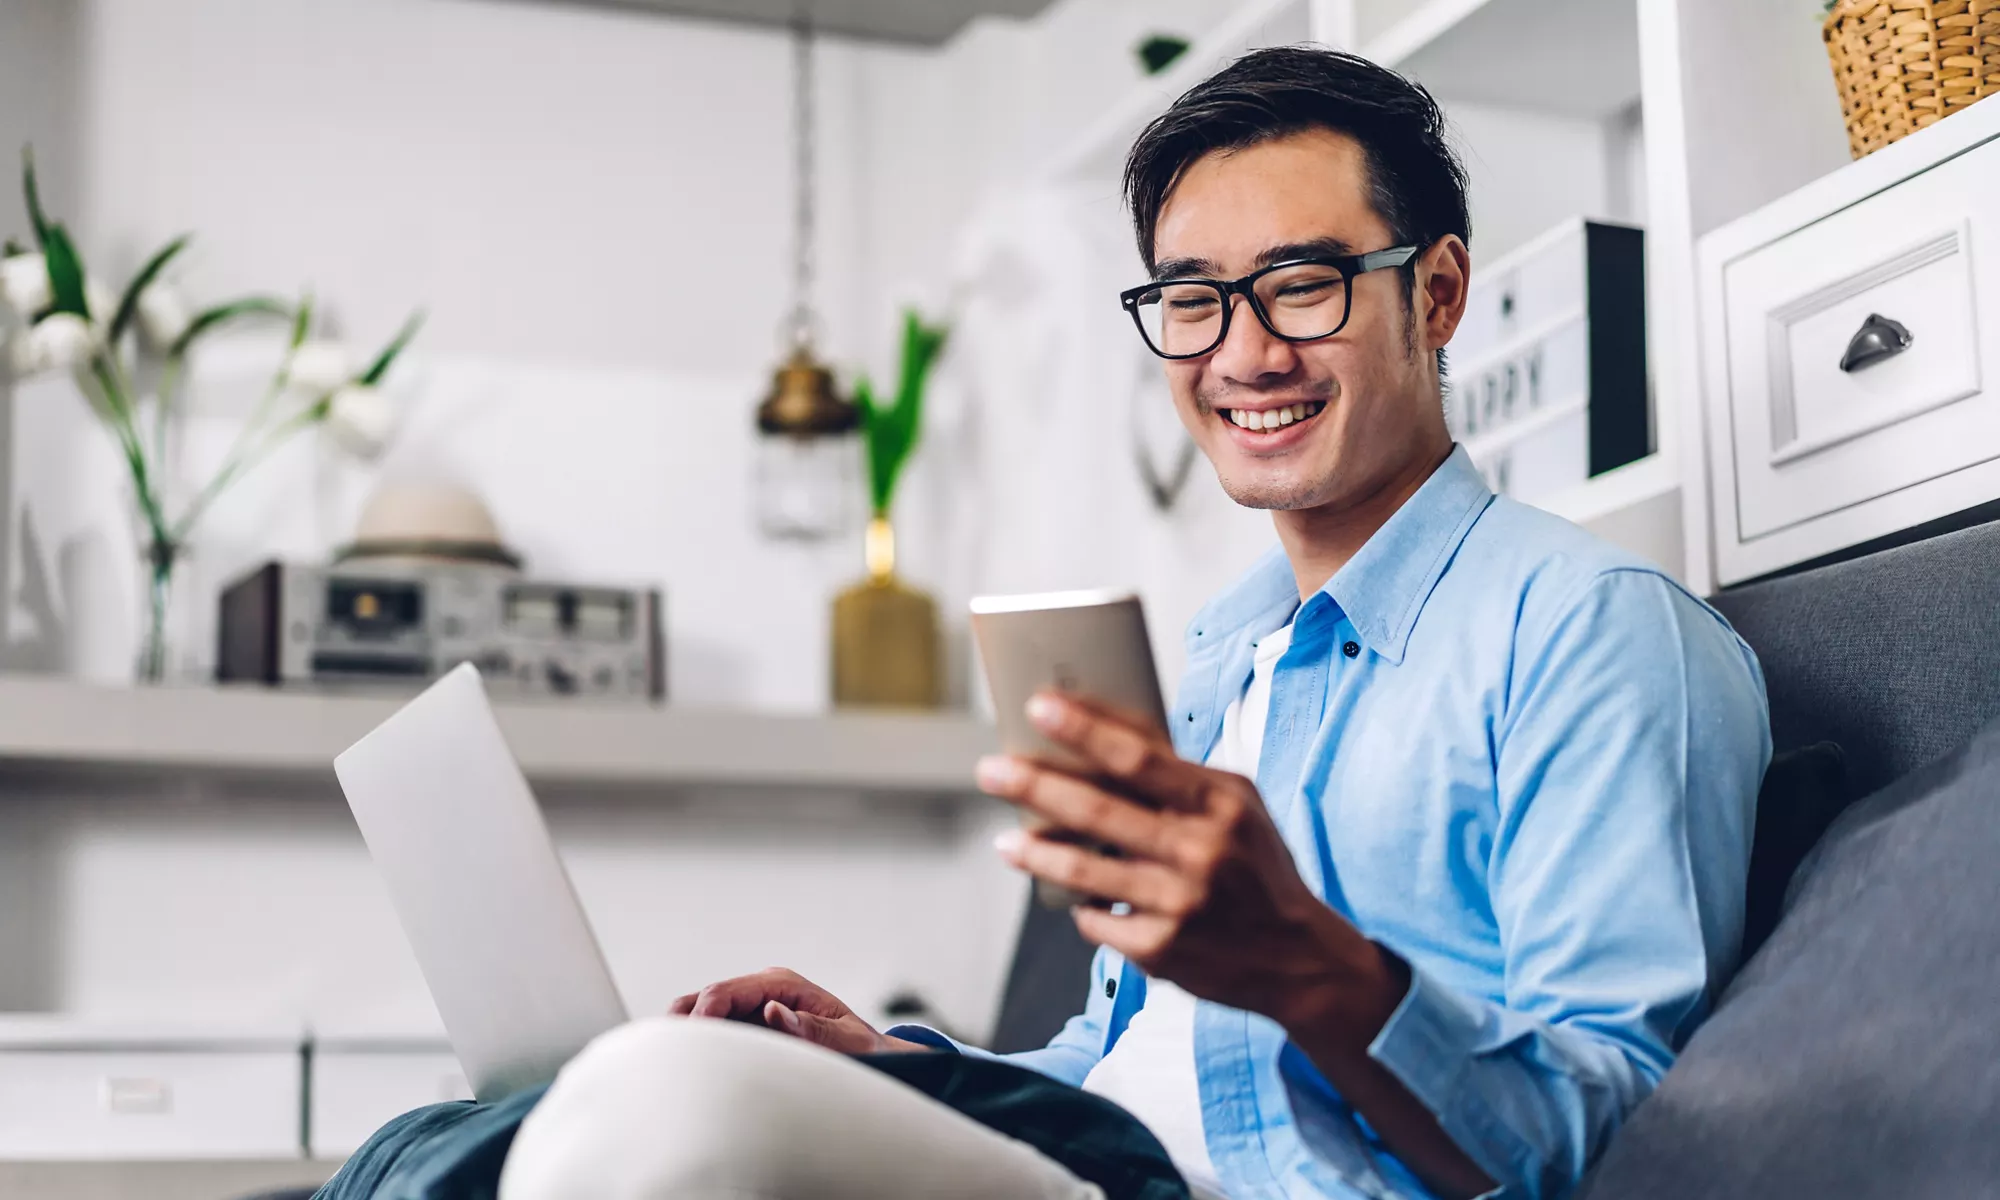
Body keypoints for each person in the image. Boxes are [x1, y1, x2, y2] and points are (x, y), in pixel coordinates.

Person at [499, 46, 1769, 1200]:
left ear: (1435, 296)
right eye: (1193, 299)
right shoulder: (1228, 654)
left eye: (1303, 284)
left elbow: (1615, 1145)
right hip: (1102, 1173)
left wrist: (1306, 963)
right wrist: (900, 1069)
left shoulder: (1592, 632)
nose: (1243, 354)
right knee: (517, 1117)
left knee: (652, 1110)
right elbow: (1124, 1069)